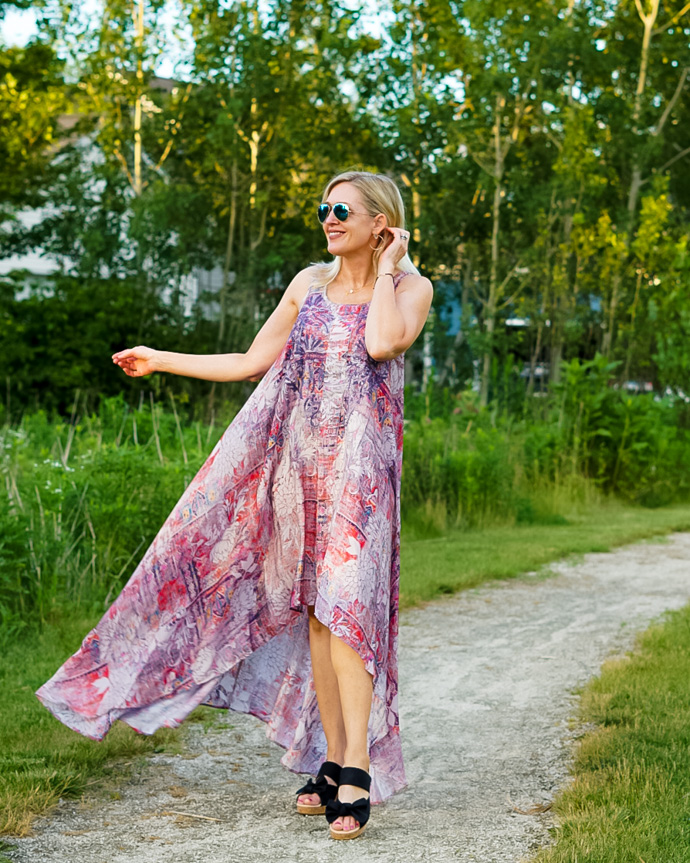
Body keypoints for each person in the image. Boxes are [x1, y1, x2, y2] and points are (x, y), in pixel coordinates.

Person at [35, 169, 433, 841]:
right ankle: (331, 758)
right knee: (316, 618)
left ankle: (359, 766)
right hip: (299, 472)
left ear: (379, 223)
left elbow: (381, 343)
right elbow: (252, 361)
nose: (328, 218)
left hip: (362, 480)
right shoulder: (308, 284)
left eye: (342, 209)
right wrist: (160, 358)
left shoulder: (411, 287)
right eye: (323, 208)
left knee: (351, 613)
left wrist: (391, 266)